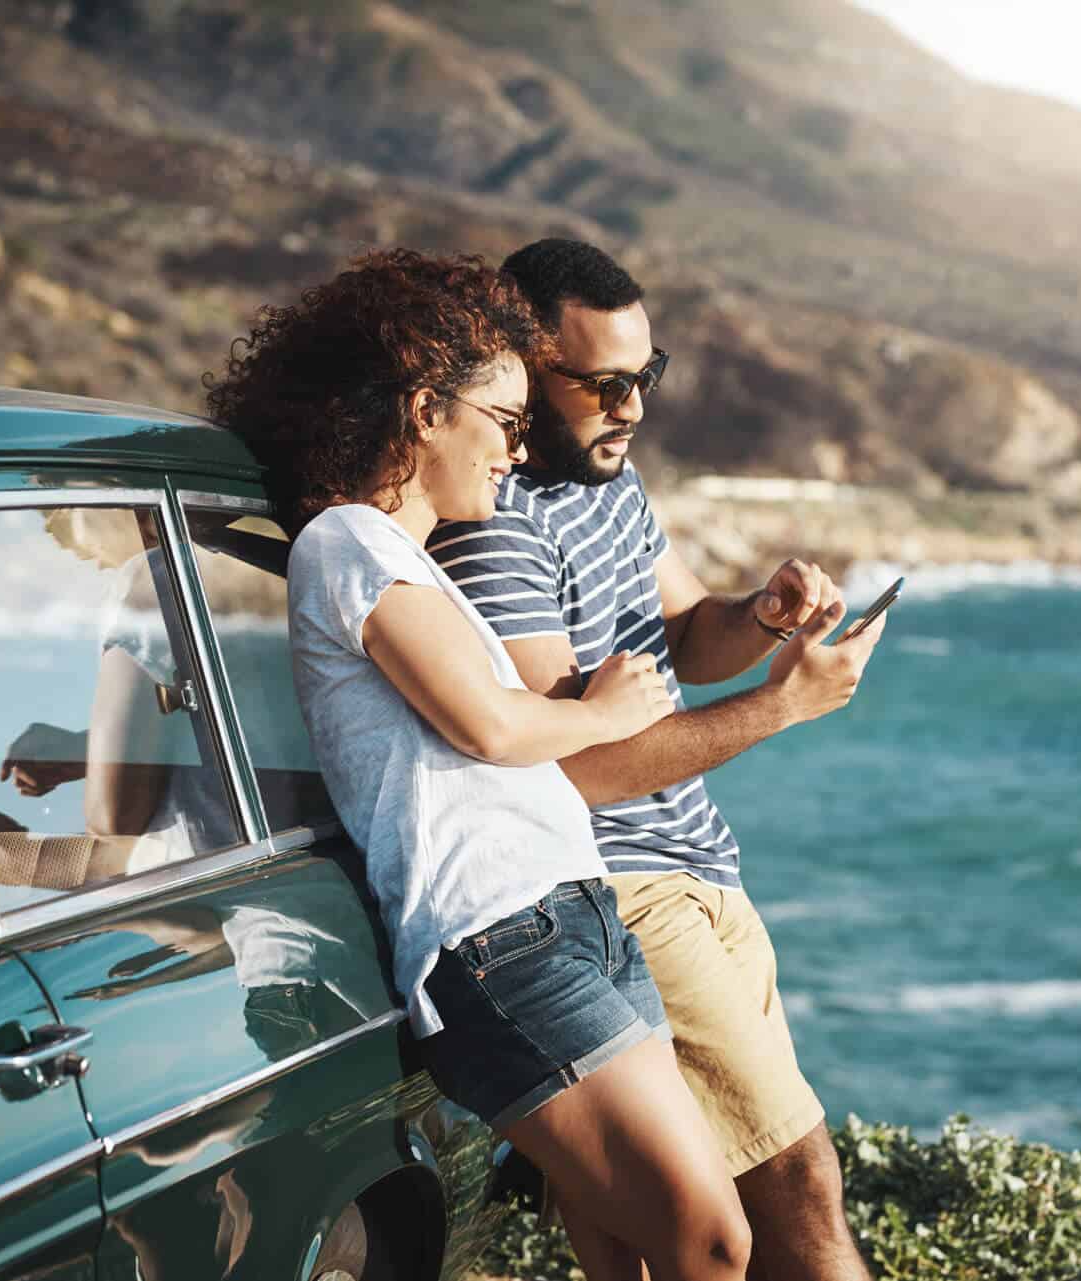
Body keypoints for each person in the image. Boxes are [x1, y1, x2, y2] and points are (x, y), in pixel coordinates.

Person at [206, 248, 752, 1281]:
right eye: (503, 423)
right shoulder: (350, 543)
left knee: (630, 1250)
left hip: (569, 913)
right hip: (498, 939)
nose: (515, 449)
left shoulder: (405, 561)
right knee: (713, 1239)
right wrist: (602, 710)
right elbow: (492, 728)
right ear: (424, 411)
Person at [431, 239, 885, 1281]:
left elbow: (683, 628)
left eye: (647, 376)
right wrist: (779, 708)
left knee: (687, 1220)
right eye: (602, 384)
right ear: (519, 368)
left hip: (702, 868)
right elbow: (573, 769)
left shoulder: (611, 484)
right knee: (799, 1186)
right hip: (624, 885)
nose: (632, 406)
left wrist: (761, 618)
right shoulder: (493, 531)